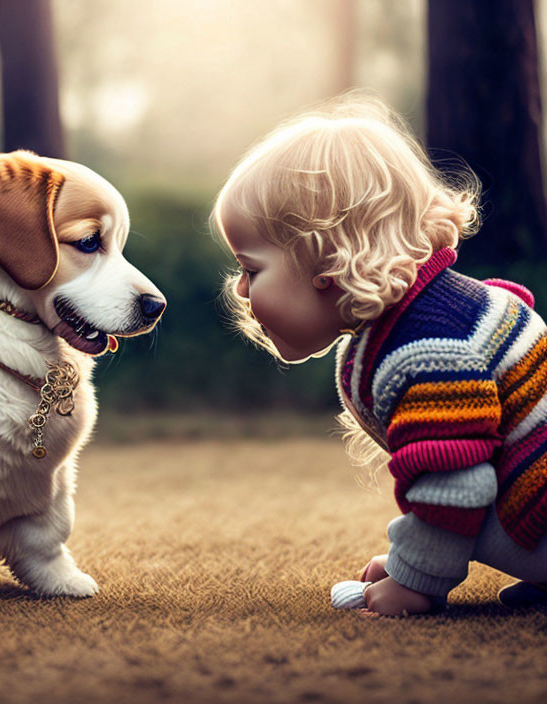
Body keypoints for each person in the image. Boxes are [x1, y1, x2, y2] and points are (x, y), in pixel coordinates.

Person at [212, 93, 547, 616]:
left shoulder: (428, 348)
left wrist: (414, 581)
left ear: (326, 261)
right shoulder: (429, 315)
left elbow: (454, 484)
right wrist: (405, 556)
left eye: (251, 269)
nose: (239, 290)